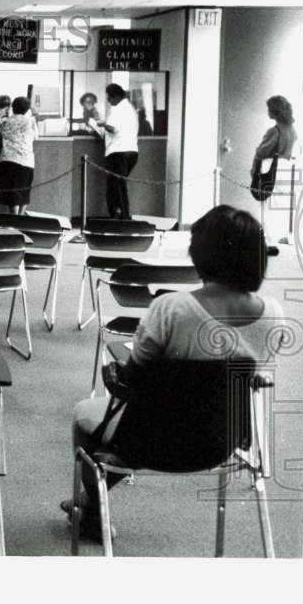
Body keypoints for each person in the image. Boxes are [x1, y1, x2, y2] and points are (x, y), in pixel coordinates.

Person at [64, 205, 286, 542]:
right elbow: (248, 374)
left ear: (199, 254)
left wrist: (114, 376)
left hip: (150, 439)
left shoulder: (171, 308)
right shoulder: (274, 314)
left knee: (85, 413)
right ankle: (92, 502)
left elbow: (133, 380)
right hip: (220, 440)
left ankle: (94, 509)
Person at [251, 95, 299, 256]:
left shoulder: (274, 131)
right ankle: (272, 240)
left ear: (275, 111)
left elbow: (261, 152)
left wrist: (254, 170)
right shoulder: (292, 130)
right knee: (278, 206)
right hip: (285, 168)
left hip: (271, 167)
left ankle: (266, 242)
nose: (268, 112)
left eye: (270, 109)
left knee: (266, 206)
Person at [94, 83, 139, 219]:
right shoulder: (130, 108)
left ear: (116, 96)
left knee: (117, 187)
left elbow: (113, 128)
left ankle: (121, 217)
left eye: (109, 97)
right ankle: (119, 215)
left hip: (118, 151)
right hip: (131, 151)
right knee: (117, 185)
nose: (108, 100)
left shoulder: (118, 109)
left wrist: (101, 124)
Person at [0, 95, 39, 215]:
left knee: (11, 191)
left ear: (12, 108)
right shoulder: (31, 121)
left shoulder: (5, 121)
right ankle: (20, 217)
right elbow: (36, 137)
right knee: (24, 190)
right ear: (27, 109)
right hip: (26, 160)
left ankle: (14, 217)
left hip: (7, 159)